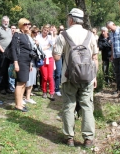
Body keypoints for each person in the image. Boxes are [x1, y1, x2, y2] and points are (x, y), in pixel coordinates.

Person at [53, 8, 98, 148]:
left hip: (69, 77)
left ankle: (69, 138)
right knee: (87, 106)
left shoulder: (63, 35)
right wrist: (94, 76)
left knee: (69, 106)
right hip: (87, 77)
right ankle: (88, 139)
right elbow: (95, 57)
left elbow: (56, 56)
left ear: (71, 19)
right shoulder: (90, 35)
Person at [12, 18, 32, 112]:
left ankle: (20, 102)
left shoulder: (26, 35)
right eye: (26, 24)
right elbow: (14, 49)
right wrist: (16, 62)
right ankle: (17, 105)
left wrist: (31, 63)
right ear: (21, 25)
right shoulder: (17, 35)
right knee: (20, 83)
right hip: (21, 61)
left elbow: (29, 50)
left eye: (29, 24)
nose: (28, 25)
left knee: (24, 82)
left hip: (27, 62)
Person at [37, 24, 55, 101]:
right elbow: (37, 46)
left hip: (50, 58)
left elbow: (53, 44)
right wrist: (47, 47)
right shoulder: (38, 36)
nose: (46, 32)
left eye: (47, 31)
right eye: (45, 30)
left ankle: (51, 92)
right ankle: (44, 91)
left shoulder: (50, 37)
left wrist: (53, 34)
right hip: (42, 58)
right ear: (42, 29)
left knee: (50, 77)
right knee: (44, 76)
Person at [0, 16, 12, 94]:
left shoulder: (10, 30)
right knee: (2, 70)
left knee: (8, 71)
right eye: (5, 21)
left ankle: (7, 87)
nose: (6, 23)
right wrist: (3, 51)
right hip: (2, 53)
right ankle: (1, 87)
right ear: (2, 21)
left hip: (9, 54)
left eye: (7, 21)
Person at [23, 27, 39, 105]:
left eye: (37, 32)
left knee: (32, 80)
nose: (36, 34)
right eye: (34, 32)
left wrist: (37, 44)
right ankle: (23, 97)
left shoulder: (34, 40)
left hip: (34, 61)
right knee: (25, 81)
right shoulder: (28, 40)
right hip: (29, 61)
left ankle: (28, 97)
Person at [106, 21, 120, 95]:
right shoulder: (111, 34)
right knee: (117, 72)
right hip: (115, 56)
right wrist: (112, 55)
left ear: (114, 25)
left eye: (110, 28)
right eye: (108, 28)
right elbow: (112, 45)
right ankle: (118, 89)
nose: (109, 30)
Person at [51, 26, 62, 96]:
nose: (53, 30)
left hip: (58, 57)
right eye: (52, 29)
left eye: (55, 29)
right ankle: (52, 88)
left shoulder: (59, 37)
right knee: (52, 74)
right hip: (50, 57)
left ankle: (57, 89)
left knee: (58, 73)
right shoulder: (49, 37)